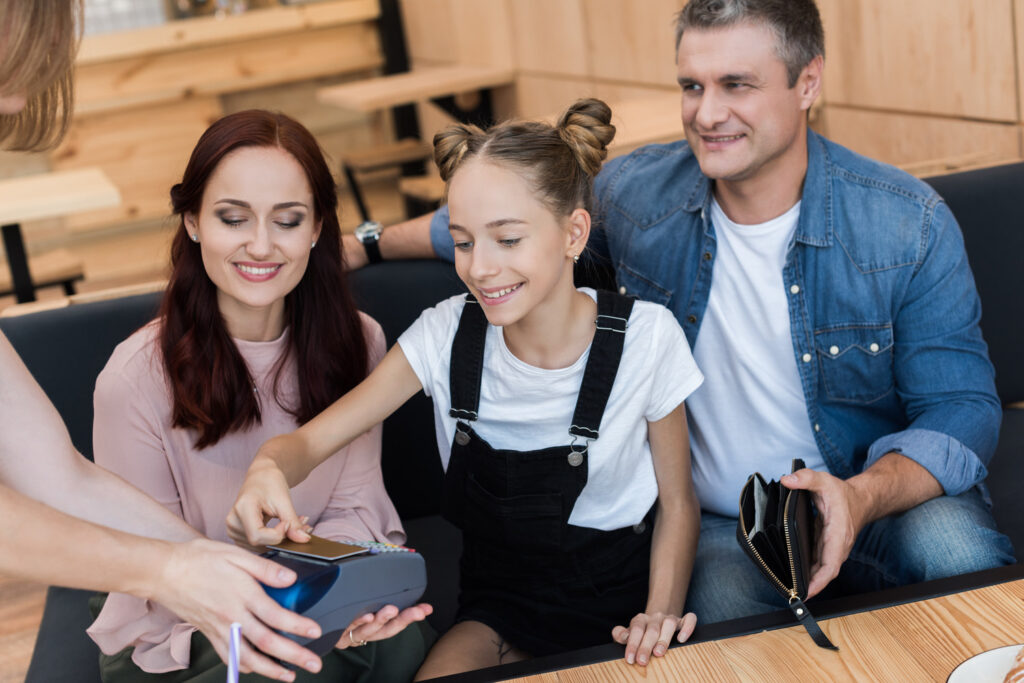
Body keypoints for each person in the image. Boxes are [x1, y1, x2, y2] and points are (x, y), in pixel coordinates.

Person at [344, 0, 1015, 624]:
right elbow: (511, 219)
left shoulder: (906, 222)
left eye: (736, 85)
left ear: (807, 83)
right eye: (692, 86)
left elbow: (963, 408)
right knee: (722, 621)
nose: (706, 113)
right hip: (726, 523)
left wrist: (861, 496)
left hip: (877, 500)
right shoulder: (640, 197)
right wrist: (367, 243)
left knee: (961, 558)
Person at [228, 99, 705, 676]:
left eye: (507, 240)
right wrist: (266, 469)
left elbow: (679, 503)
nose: (480, 268)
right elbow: (305, 444)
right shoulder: (444, 335)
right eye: (463, 241)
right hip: (495, 619)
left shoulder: (647, 339)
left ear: (574, 233)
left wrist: (660, 613)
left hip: (623, 626)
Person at [0, 1, 326, 679]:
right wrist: (171, 568)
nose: (19, 96)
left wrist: (219, 568)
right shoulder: (134, 372)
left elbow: (55, 473)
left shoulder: (352, 337)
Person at [85, 110, 433, 682]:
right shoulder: (133, 378)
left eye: (288, 220)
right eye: (232, 218)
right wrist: (278, 605)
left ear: (319, 227)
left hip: (310, 595)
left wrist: (342, 599)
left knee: (406, 642)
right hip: (180, 620)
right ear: (193, 221)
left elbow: (352, 508)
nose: (261, 245)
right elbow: (153, 565)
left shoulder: (360, 340)